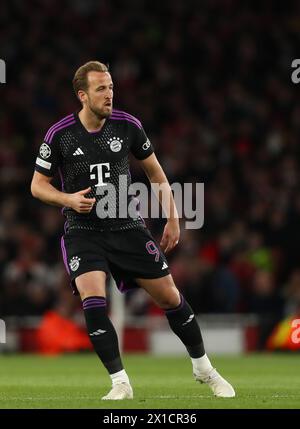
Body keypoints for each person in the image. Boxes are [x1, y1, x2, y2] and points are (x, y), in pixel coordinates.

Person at [31, 61, 235, 400]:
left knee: (170, 297)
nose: (109, 94)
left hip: (127, 227)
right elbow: (37, 186)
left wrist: (172, 218)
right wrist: (67, 199)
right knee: (93, 301)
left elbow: (155, 174)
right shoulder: (60, 135)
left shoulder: (127, 126)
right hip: (83, 232)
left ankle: (205, 370)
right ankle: (120, 383)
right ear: (83, 95)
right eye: (101, 88)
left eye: (111, 87)